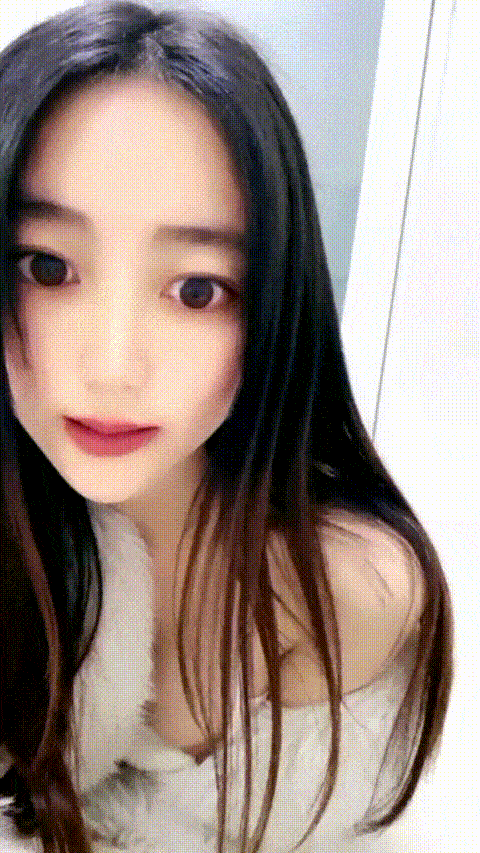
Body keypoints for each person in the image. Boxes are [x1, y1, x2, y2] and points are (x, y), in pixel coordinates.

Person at [0, 3, 454, 852]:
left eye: (197, 289)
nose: (113, 365)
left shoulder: (341, 592)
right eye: (48, 266)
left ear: (275, 305)